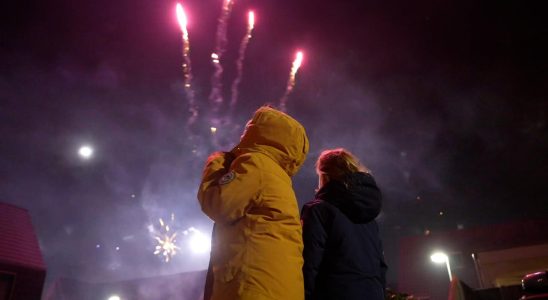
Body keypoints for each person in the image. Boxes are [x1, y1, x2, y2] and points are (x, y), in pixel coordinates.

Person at [198, 105, 309, 300]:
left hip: (252, 287)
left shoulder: (256, 163)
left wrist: (215, 163)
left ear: (258, 132)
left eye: (250, 125)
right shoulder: (280, 178)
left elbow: (219, 204)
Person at [301, 148, 387, 300]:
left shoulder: (318, 210)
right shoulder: (370, 217)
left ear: (325, 176)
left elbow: (309, 262)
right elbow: (380, 266)